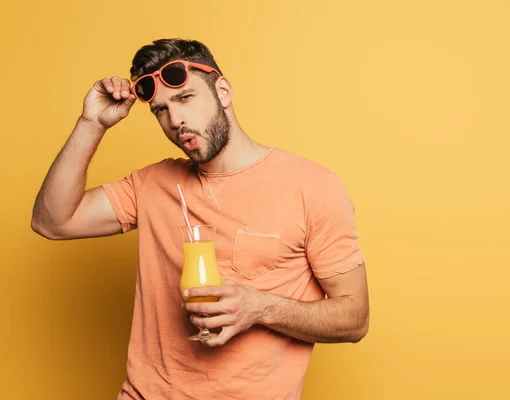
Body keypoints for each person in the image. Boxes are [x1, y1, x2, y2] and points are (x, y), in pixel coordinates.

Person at [31, 38, 369, 400]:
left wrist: (260, 307)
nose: (175, 121)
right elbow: (52, 222)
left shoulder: (312, 186)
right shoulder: (151, 184)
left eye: (184, 98)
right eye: (160, 110)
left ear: (222, 90)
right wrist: (91, 123)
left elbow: (354, 317)